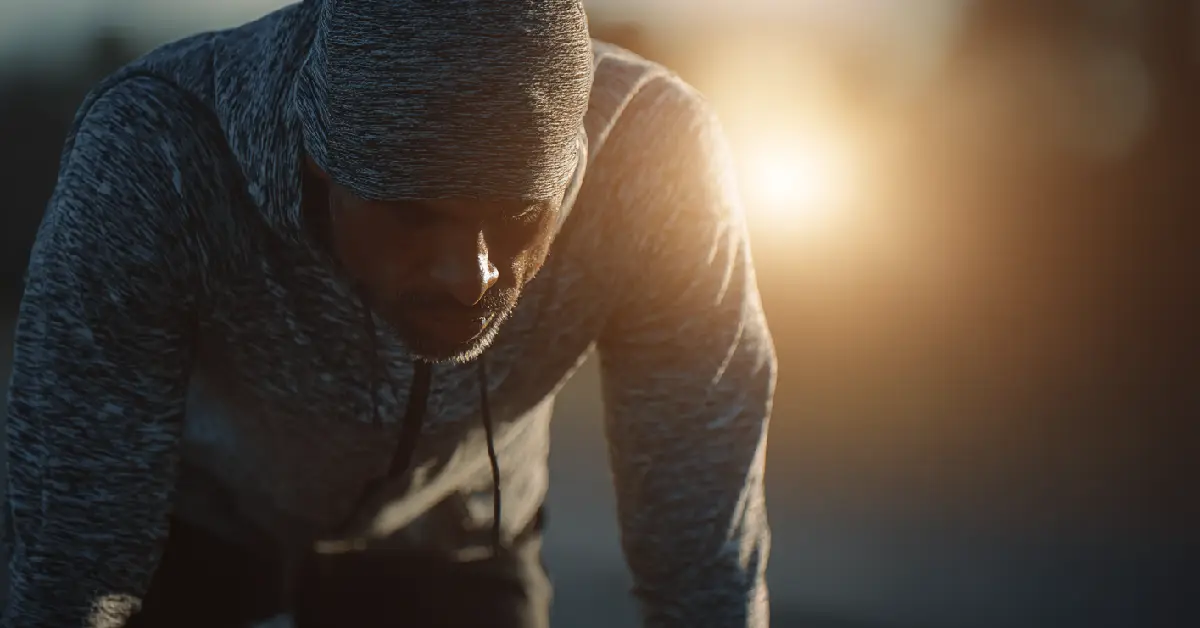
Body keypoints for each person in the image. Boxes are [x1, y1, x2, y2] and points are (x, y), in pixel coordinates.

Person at [1, 0, 776, 626]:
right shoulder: (156, 146)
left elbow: (702, 552)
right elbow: (73, 548)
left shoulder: (656, 160)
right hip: (194, 526)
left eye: (516, 215)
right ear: (317, 160)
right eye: (413, 215)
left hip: (456, 541)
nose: (470, 278)